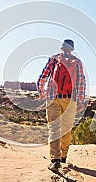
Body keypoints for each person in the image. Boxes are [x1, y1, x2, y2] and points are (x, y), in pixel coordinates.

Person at [37, 39, 86, 172]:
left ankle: (55, 160)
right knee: (66, 129)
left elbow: (43, 76)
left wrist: (42, 91)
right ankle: (63, 155)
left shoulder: (53, 59)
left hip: (53, 98)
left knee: (54, 128)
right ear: (71, 49)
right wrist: (80, 101)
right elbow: (81, 82)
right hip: (70, 99)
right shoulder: (77, 62)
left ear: (62, 48)